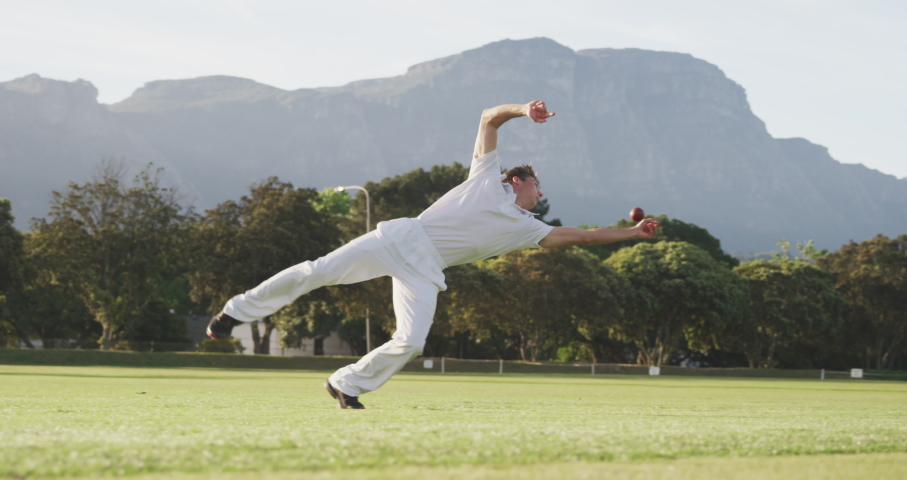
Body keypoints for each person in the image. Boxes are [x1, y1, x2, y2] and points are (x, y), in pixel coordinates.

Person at [206, 100, 659, 409]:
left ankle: (345, 384)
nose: (542, 195)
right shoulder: (486, 176)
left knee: (413, 341)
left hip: (426, 271)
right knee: (316, 272)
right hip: (401, 239)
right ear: (518, 181)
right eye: (538, 186)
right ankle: (233, 313)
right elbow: (489, 118)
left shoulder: (530, 229)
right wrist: (524, 109)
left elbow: (583, 236)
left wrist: (633, 233)